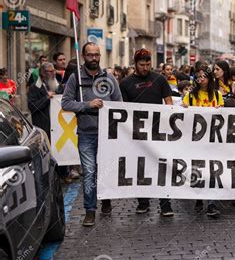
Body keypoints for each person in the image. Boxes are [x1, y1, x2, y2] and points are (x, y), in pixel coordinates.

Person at [62, 42, 122, 227]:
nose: (94, 58)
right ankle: (90, 210)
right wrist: (87, 105)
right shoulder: (76, 79)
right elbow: (65, 103)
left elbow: (119, 104)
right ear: (83, 56)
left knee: (105, 171)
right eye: (90, 55)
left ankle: (106, 200)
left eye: (96, 55)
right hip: (86, 133)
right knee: (89, 172)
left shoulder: (109, 78)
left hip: (107, 135)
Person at [120, 48, 175, 216]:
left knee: (161, 166)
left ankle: (165, 203)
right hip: (137, 132)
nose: (145, 68)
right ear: (135, 64)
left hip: (159, 131)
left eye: (148, 64)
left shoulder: (160, 79)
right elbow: (124, 108)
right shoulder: (125, 83)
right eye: (142, 64)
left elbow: (169, 101)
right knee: (140, 167)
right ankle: (143, 202)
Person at [182, 66, 223, 218]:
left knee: (212, 170)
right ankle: (198, 196)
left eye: (204, 76)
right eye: (198, 76)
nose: (201, 79)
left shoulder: (217, 95)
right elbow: (182, 113)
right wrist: (184, 108)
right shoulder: (191, 95)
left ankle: (212, 204)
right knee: (198, 168)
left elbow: (224, 117)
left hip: (213, 139)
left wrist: (221, 109)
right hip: (196, 139)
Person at [27, 62, 58, 140]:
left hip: (56, 127)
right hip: (43, 128)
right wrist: (47, 98)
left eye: (54, 70)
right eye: (50, 71)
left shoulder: (57, 86)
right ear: (43, 73)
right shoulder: (34, 87)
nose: (54, 73)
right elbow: (32, 107)